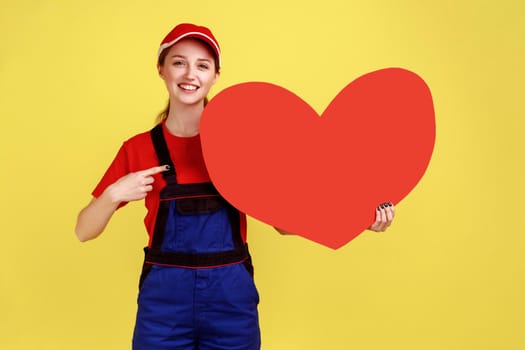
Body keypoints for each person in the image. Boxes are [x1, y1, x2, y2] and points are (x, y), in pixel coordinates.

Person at [75, 23, 395, 350]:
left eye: (202, 65)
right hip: (163, 310)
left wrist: (359, 217)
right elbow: (83, 230)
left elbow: (284, 224)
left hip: (230, 305)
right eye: (178, 62)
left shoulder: (241, 144)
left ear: (216, 75)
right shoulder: (138, 149)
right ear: (161, 69)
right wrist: (114, 193)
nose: (190, 74)